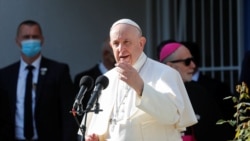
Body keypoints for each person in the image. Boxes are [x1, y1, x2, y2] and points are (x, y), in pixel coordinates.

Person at [78, 18, 197, 141]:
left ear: (141, 43)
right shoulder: (106, 79)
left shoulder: (165, 73)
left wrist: (141, 87)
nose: (120, 48)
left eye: (126, 42)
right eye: (116, 43)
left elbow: (173, 116)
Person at [0, 20, 78, 141]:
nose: (31, 40)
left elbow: (69, 114)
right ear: (17, 41)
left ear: (42, 40)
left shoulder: (58, 71)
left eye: (35, 37)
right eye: (26, 37)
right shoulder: (5, 75)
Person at [158, 41, 233, 141]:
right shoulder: (154, 93)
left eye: (193, 60)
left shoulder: (199, 92)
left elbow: (217, 132)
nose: (193, 65)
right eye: (187, 62)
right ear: (170, 66)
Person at [74, 37, 115, 117]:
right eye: (115, 51)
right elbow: (77, 113)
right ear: (106, 54)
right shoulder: (84, 79)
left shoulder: (127, 77)